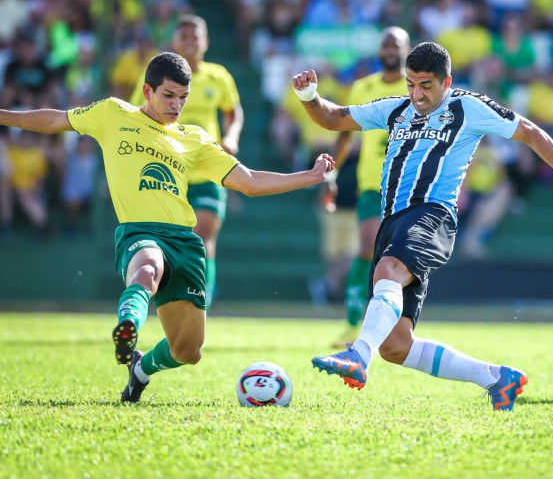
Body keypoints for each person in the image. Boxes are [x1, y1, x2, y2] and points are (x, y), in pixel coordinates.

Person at [0, 52, 334, 404]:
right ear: (147, 90)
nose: (177, 105)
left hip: (185, 243)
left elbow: (249, 182)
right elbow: (55, 121)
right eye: (169, 95)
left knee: (188, 350)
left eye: (183, 98)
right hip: (140, 231)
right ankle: (127, 327)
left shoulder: (194, 138)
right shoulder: (113, 114)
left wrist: (310, 176)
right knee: (147, 267)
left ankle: (140, 370)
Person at [292, 41, 553, 411]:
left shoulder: (467, 107)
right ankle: (498, 378)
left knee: (387, 270)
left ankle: (357, 355)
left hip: (431, 215)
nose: (416, 94)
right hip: (393, 222)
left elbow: (530, 131)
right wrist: (309, 96)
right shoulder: (395, 110)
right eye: (410, 84)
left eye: (426, 86)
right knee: (396, 345)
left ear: (446, 82)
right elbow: (333, 117)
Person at [130, 15, 243, 305]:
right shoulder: (156, 77)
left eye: (196, 36)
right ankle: (170, 299)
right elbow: (135, 113)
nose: (190, 42)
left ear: (206, 42)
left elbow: (234, 111)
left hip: (207, 171)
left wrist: (231, 137)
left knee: (203, 240)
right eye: (184, 37)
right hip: (167, 172)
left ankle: (201, 302)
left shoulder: (218, 76)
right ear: (174, 42)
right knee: (167, 242)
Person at [327, 26, 411, 347]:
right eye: (385, 44)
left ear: (407, 50)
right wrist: (331, 175)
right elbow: (345, 132)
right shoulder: (362, 88)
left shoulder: (416, 89)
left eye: (396, 44)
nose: (390, 49)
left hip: (407, 187)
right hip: (372, 186)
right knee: (367, 249)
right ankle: (352, 322)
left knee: (401, 258)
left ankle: (394, 323)